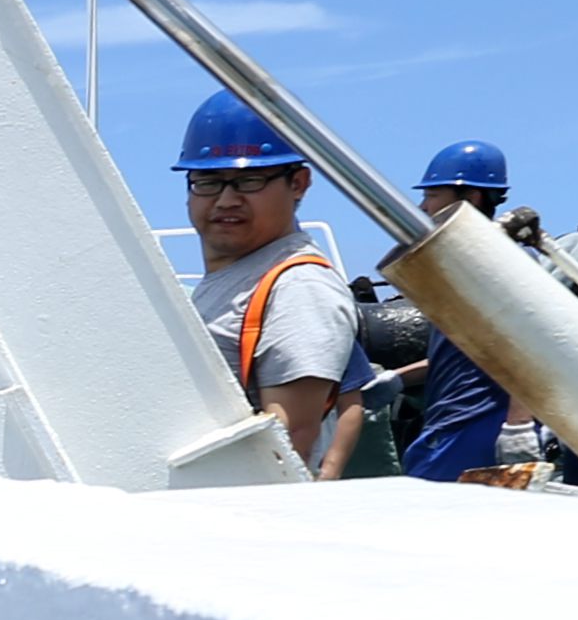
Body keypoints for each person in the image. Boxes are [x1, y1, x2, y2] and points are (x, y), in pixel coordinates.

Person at [176, 90, 365, 471]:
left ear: (298, 183)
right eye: (209, 181)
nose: (226, 199)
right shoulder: (235, 280)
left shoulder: (299, 288)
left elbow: (287, 442)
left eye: (249, 180)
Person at [395, 138, 522, 483]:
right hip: (451, 422)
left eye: (432, 196)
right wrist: (398, 379)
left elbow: (529, 352)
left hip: (475, 426)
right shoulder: (465, 265)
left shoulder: (500, 264)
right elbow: (467, 353)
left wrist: (518, 426)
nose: (423, 206)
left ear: (472, 198)